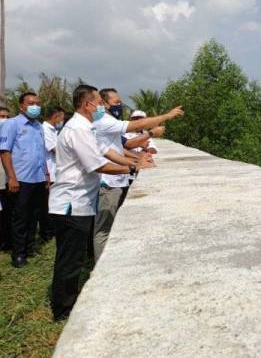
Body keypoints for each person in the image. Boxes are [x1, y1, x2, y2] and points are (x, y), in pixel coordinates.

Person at [49, 84, 154, 321]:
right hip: (70, 204)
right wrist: (132, 166)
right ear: (87, 105)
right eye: (98, 102)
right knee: (69, 260)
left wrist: (135, 161)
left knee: (73, 257)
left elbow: (106, 152)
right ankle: (63, 310)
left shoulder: (85, 128)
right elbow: (96, 164)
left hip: (79, 202)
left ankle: (67, 302)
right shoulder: (78, 129)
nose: (102, 107)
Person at [93, 88, 183, 260]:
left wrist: (137, 160)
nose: (119, 105)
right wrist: (166, 117)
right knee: (104, 229)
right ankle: (99, 265)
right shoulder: (104, 121)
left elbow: (118, 150)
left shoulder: (109, 121)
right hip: (108, 181)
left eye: (120, 102)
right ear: (104, 104)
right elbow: (133, 133)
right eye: (116, 102)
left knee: (112, 225)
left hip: (118, 179)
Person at [0, 93, 50, 268]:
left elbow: (41, 153)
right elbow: (5, 152)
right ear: (21, 106)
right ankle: (18, 254)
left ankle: (30, 247)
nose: (35, 106)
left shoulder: (38, 126)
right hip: (21, 178)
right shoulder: (11, 124)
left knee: (34, 215)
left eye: (37, 103)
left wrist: (46, 175)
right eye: (31, 103)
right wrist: (12, 177)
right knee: (20, 217)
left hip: (38, 178)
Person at [41, 106, 65, 242]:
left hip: (56, 172)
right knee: (47, 205)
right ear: (55, 117)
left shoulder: (54, 130)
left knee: (53, 203)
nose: (62, 120)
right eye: (61, 118)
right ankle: (47, 232)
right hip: (49, 172)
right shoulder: (45, 130)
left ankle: (51, 229)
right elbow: (55, 150)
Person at [0, 106, 11, 251]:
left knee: (7, 213)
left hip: (7, 180)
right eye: (2, 116)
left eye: (7, 117)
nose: (4, 120)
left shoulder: (9, 135)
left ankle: (6, 241)